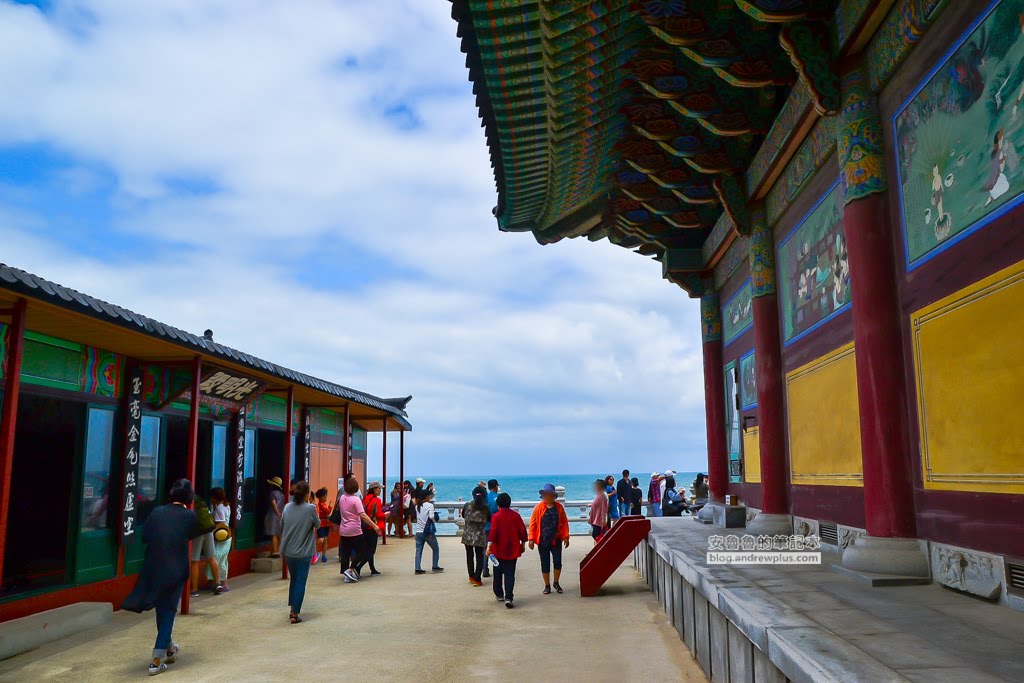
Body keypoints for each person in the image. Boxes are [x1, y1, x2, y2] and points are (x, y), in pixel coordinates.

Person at [121, 479, 205, 677]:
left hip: (154, 567)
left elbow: (145, 536)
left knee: (162, 609)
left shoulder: (157, 512)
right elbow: (196, 532)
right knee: (168, 610)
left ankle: (169, 648)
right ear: (189, 498)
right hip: (176, 568)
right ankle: (156, 660)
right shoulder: (189, 515)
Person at [280, 481, 319, 624]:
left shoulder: (287, 507)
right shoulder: (310, 508)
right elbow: (318, 524)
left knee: (294, 579)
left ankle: (292, 608)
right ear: (307, 494)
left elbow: (281, 525)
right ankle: (295, 613)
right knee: (301, 581)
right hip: (304, 552)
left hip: (289, 551)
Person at [486, 492, 527, 609]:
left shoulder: (496, 516)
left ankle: (499, 594)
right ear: (509, 504)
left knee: (497, 573)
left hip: (498, 550)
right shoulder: (516, 516)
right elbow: (522, 531)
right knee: (510, 574)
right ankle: (509, 597)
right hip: (512, 549)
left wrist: (489, 547)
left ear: (498, 504)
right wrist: (523, 544)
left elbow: (493, 533)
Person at [528, 483, 570, 595]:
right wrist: (531, 539)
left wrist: (566, 536)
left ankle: (556, 582)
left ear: (553, 495)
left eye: (548, 494)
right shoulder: (538, 508)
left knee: (557, 561)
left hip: (556, 539)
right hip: (542, 540)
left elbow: (564, 523)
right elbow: (533, 525)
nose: (546, 496)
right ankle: (547, 585)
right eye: (545, 494)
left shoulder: (559, 507)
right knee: (545, 563)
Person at [337, 477, 381, 582]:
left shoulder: (342, 498)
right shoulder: (356, 499)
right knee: (362, 550)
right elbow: (362, 515)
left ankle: (346, 573)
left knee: (345, 552)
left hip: (343, 529)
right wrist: (374, 525)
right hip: (355, 529)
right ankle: (351, 569)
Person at [189, 493, 221, 597]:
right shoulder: (201, 502)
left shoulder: (189, 502)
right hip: (209, 531)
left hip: (198, 533)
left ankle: (194, 589)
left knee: (194, 561)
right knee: (212, 558)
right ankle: (217, 583)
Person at [461, 485, 491, 586]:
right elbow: (489, 519)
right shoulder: (486, 508)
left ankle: (471, 576)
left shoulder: (467, 505)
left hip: (468, 535)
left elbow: (463, 515)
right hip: (480, 535)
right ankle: (477, 578)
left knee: (469, 556)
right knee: (479, 557)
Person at [357, 482, 385, 576]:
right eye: (379, 488)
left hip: (364, 526)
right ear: (374, 489)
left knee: (367, 548)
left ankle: (372, 568)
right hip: (373, 526)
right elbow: (379, 515)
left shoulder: (365, 499)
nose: (380, 490)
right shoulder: (377, 500)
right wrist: (386, 514)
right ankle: (357, 568)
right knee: (371, 550)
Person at [206, 487, 231, 592]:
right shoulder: (226, 505)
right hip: (227, 536)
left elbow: (220, 523)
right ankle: (221, 582)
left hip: (220, 537)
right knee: (223, 559)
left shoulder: (219, 509)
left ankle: (220, 582)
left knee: (217, 558)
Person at [413, 489, 443, 575]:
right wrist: (436, 514)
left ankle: (417, 568)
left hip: (418, 531)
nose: (430, 497)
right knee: (435, 548)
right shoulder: (430, 505)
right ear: (426, 496)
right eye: (429, 496)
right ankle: (435, 566)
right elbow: (431, 517)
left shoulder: (417, 506)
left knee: (418, 550)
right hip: (427, 531)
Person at [483, 479, 500, 578]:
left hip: (485, 526)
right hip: (495, 526)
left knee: (486, 548)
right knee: (496, 548)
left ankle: (485, 568)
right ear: (496, 486)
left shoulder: (485, 497)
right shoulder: (498, 498)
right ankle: (497, 566)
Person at [265, 476, 285, 557]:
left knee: (273, 534)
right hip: (281, 515)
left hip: (273, 515)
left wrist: (277, 512)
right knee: (279, 534)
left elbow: (273, 504)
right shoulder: (282, 494)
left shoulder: (272, 493)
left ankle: (274, 552)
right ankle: (278, 550)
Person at [314, 487, 332, 564]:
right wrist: (330, 505)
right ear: (320, 497)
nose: (326, 497)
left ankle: (324, 555)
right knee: (321, 539)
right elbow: (327, 511)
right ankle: (312, 548)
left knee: (325, 540)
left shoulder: (323, 504)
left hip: (325, 524)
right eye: (324, 496)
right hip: (321, 525)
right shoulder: (320, 505)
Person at [589, 478, 609, 544]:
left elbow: (604, 509)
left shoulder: (603, 495)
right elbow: (597, 505)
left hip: (599, 521)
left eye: (596, 485)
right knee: (596, 536)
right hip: (596, 520)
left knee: (597, 535)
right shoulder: (599, 495)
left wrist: (603, 520)